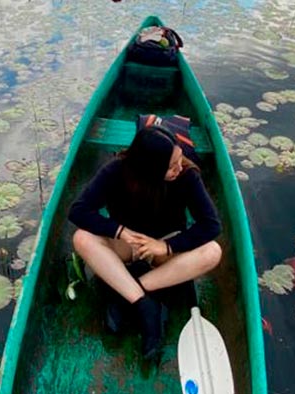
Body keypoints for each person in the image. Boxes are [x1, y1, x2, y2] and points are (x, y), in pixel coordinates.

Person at [68, 125, 222, 359]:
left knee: (212, 252)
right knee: (81, 238)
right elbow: (78, 211)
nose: (178, 168)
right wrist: (119, 231)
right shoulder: (116, 171)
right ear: (149, 167)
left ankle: (128, 293)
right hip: (129, 245)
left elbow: (211, 225)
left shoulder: (187, 175)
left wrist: (166, 246)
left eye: (179, 159)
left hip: (166, 250)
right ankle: (144, 303)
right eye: (171, 166)